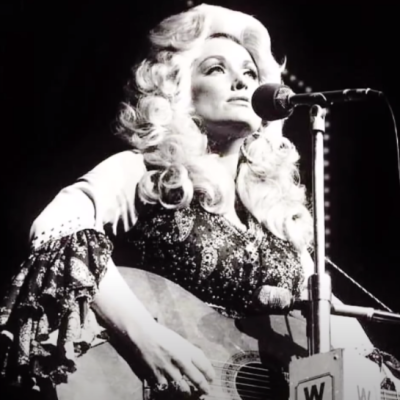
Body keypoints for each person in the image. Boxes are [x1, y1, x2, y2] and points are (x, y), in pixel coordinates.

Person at [1, 3, 399, 398]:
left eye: (250, 73)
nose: (243, 83)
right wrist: (143, 335)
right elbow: (58, 225)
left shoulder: (277, 219)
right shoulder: (148, 171)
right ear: (180, 91)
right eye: (216, 69)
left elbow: (347, 342)